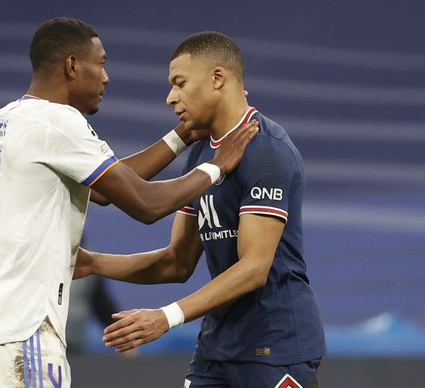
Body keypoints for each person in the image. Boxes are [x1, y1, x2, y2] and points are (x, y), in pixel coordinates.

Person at [0, 18, 259, 388]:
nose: (106, 77)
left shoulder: (2, 120)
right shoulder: (58, 121)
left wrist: (179, 138)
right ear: (71, 66)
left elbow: (102, 190)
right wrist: (216, 166)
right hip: (24, 327)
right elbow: (145, 204)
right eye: (100, 63)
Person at [75, 31, 326, 387]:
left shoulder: (266, 151)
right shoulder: (201, 153)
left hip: (274, 344)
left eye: (179, 83)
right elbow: (176, 262)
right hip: (218, 346)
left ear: (218, 78)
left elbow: (254, 268)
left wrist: (165, 316)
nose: (170, 98)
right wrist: (93, 263)